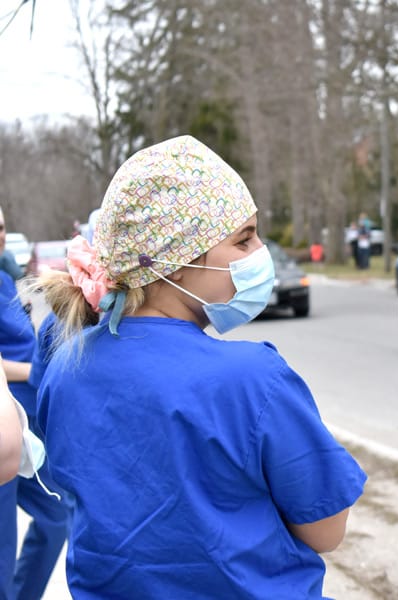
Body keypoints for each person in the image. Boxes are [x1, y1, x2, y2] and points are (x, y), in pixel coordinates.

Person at [32, 135, 367, 598]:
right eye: (244, 239)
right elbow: (325, 530)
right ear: (176, 265)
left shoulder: (67, 365)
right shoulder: (252, 378)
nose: (260, 254)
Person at [0, 238, 67, 600]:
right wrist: (33, 371)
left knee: (57, 517)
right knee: (1, 550)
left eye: (1, 228)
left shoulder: (4, 280)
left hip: (29, 423)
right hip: (3, 426)